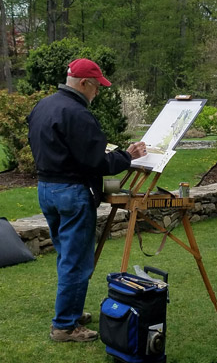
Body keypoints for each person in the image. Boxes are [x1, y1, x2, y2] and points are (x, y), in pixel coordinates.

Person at [27, 58, 146, 342]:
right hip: (71, 192)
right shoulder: (77, 113)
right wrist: (128, 156)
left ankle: (70, 311)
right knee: (77, 261)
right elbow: (96, 162)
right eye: (96, 87)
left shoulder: (44, 105)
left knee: (66, 255)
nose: (98, 93)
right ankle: (65, 326)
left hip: (47, 188)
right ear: (83, 83)